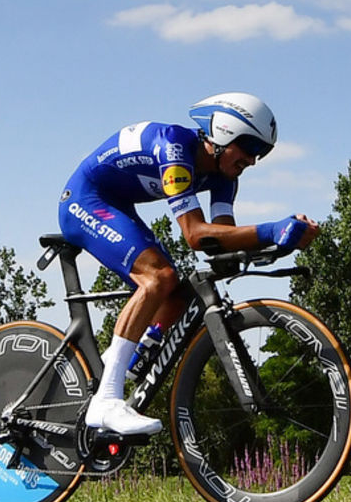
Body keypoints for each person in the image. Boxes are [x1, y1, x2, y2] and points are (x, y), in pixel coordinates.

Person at [58, 93, 319, 436]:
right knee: (157, 279)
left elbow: (221, 239)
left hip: (117, 203)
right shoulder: (175, 148)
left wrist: (281, 237)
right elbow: (196, 235)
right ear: (224, 134)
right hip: (85, 200)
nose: (253, 160)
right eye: (251, 147)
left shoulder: (225, 176)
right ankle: (106, 399)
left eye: (262, 152)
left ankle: (115, 370)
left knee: (178, 295)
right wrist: (271, 229)